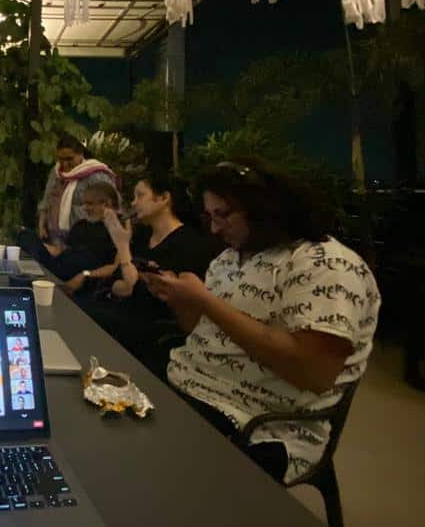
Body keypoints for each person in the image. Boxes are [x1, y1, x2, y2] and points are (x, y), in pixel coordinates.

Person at [143, 160, 380, 483]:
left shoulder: (326, 265)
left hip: (258, 421)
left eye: (223, 215)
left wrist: (206, 301)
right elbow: (202, 334)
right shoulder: (228, 259)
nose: (214, 229)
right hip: (188, 382)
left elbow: (314, 372)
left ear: (263, 208)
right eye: (210, 217)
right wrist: (181, 300)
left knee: (142, 461)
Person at [80, 170, 217, 375]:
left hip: (153, 327)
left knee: (84, 314)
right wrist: (129, 278)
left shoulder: (188, 244)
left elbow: (144, 292)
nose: (134, 203)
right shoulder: (142, 236)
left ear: (164, 198)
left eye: (140, 195)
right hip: (125, 312)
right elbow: (119, 284)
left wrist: (123, 249)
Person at [20, 181, 120, 292]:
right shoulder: (81, 225)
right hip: (57, 267)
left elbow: (115, 268)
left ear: (106, 204)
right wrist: (40, 245)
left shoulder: (118, 230)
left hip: (83, 278)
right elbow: (61, 251)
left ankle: (37, 281)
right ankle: (35, 279)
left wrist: (85, 274)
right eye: (84, 204)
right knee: (26, 235)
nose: (85, 208)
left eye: (90, 204)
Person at [37, 134, 118, 245]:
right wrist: (41, 225)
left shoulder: (95, 175)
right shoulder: (56, 173)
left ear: (80, 154)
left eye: (69, 159)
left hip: (85, 240)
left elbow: (112, 204)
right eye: (61, 159)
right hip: (55, 238)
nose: (65, 164)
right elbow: (46, 200)